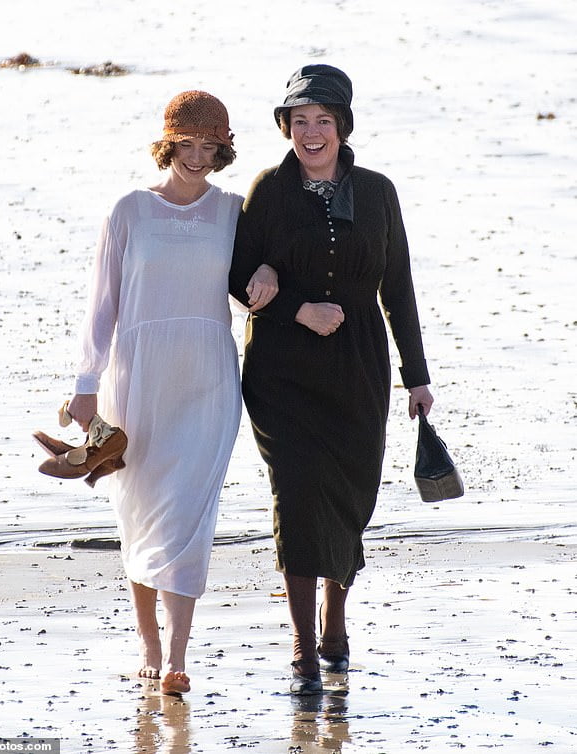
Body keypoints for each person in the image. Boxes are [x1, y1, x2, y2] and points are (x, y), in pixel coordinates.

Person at [54, 90, 277, 695]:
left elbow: (260, 269)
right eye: (189, 145)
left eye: (212, 146)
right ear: (169, 142)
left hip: (208, 378)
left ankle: (177, 654)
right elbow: (102, 307)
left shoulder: (234, 211)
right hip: (139, 377)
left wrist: (268, 272)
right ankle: (148, 642)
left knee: (188, 514)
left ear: (223, 149)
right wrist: (85, 384)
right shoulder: (128, 210)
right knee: (142, 512)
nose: (199, 157)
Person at [229, 64, 434, 695]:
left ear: (343, 126)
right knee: (296, 494)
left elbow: (396, 286)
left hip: (359, 366)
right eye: (299, 121)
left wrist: (417, 377)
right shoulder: (268, 189)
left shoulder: (377, 192)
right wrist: (291, 304)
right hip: (281, 370)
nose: (310, 133)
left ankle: (335, 620)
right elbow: (237, 275)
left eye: (323, 120)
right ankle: (301, 645)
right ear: (285, 127)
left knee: (350, 493)